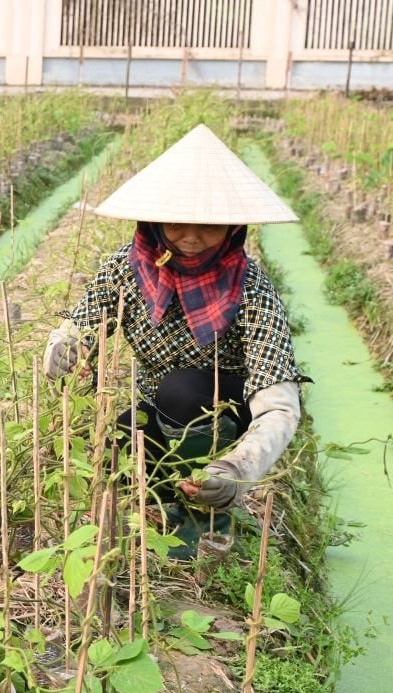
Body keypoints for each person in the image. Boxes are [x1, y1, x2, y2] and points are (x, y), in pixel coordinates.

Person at [43, 125, 307, 553]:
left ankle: (205, 514)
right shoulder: (125, 270)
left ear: (233, 228)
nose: (190, 237)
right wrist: (64, 352)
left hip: (223, 417)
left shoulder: (251, 289)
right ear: (154, 222)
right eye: (177, 222)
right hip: (157, 411)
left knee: (183, 388)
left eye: (209, 226)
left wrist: (239, 468)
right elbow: (80, 326)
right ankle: (158, 504)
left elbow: (279, 402)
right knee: (122, 432)